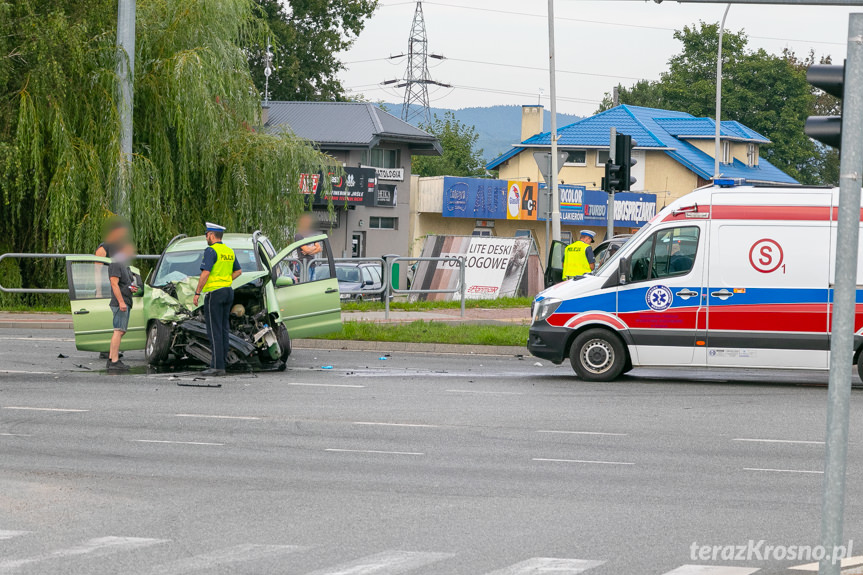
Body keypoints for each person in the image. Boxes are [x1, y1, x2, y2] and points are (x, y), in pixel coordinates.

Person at [192, 223, 242, 377]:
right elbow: (238, 271)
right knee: (224, 329)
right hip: (228, 292)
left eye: (207, 234)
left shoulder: (210, 250)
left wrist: (197, 292)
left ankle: (216, 366)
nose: (206, 237)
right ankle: (223, 364)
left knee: (214, 330)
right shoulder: (229, 251)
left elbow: (205, 273)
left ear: (212, 235)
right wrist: (226, 281)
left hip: (214, 293)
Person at [107, 241, 138, 372]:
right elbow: (114, 284)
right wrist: (121, 302)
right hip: (120, 302)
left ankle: (111, 359)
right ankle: (114, 361)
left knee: (121, 331)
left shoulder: (125, 265)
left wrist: (132, 288)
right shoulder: (115, 264)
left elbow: (125, 283)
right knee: (118, 330)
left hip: (126, 300)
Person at [294, 213, 322, 281]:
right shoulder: (298, 236)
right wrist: (313, 248)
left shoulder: (312, 235)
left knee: (313, 285)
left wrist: (309, 250)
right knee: (306, 284)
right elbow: (306, 250)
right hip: (304, 265)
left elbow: (319, 249)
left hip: (312, 264)